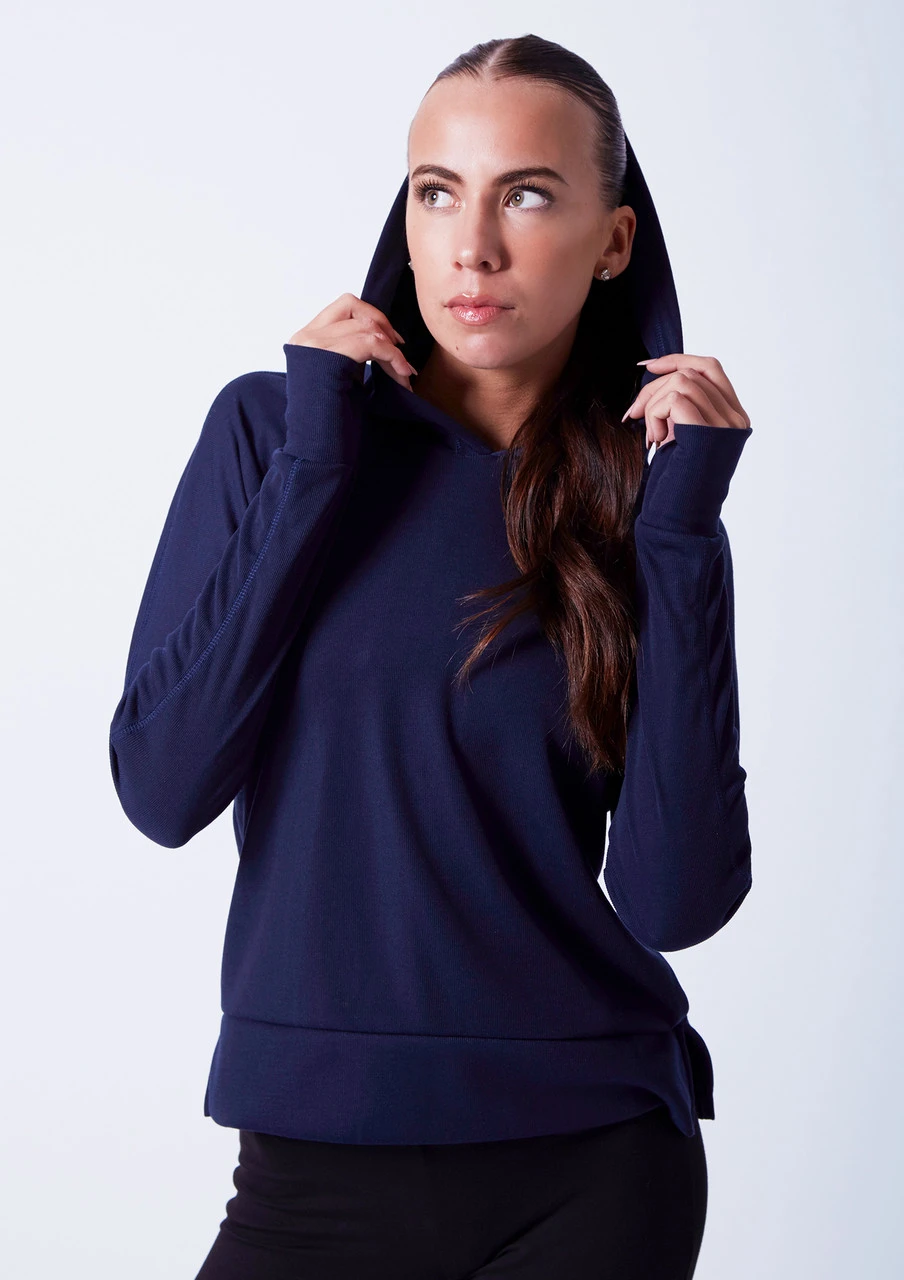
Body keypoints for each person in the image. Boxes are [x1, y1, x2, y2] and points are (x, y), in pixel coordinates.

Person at [108, 32, 754, 1280]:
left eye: (528, 195)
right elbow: (162, 787)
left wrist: (682, 536)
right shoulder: (273, 433)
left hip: (592, 1164)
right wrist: (315, 461)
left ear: (613, 240)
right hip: (310, 1164)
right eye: (438, 192)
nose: (474, 246)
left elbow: (676, 900)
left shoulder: (644, 504)